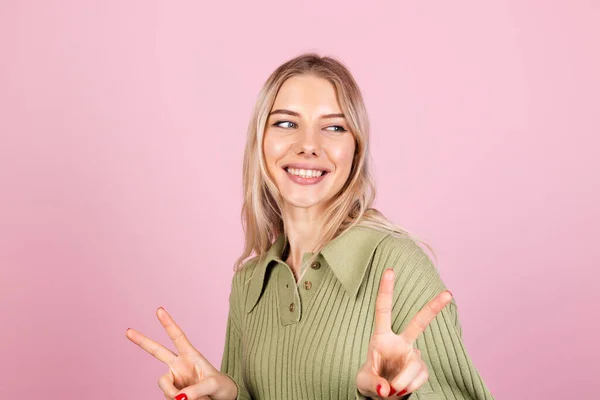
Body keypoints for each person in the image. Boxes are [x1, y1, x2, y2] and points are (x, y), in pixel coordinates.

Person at [126, 53, 495, 400]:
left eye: (333, 127)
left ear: (356, 150)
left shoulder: (399, 266)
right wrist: (228, 395)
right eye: (286, 123)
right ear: (260, 143)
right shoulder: (250, 284)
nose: (308, 145)